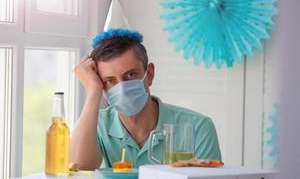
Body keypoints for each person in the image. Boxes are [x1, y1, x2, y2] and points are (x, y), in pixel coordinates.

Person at [71, 28, 221, 170]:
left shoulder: (198, 127)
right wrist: (93, 92)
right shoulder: (95, 125)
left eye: (130, 75)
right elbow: (79, 166)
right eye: (110, 80)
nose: (122, 88)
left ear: (149, 74)